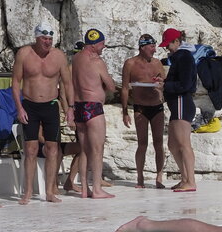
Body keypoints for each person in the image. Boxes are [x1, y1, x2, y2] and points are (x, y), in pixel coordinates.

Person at [12, 23, 74, 204]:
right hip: (30, 105)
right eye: (44, 39)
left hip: (51, 106)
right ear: (37, 38)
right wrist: (19, 108)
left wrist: (70, 108)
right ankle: (28, 192)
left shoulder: (59, 56)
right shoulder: (24, 54)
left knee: (52, 149)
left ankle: (49, 192)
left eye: (50, 39)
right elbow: (15, 82)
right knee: (30, 150)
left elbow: (68, 84)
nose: (47, 42)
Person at [70, 28, 115, 199]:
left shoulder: (76, 59)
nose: (103, 47)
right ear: (96, 44)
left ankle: (84, 190)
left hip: (80, 107)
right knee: (97, 150)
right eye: (102, 44)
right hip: (94, 107)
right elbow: (110, 86)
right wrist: (108, 80)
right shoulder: (97, 61)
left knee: (84, 149)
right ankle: (96, 189)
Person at [121, 34, 166, 189]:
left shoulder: (157, 63)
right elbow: (125, 88)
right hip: (140, 107)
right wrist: (125, 111)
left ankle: (159, 175)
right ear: (143, 47)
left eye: (155, 46)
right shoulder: (130, 63)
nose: (154, 50)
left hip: (157, 106)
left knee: (159, 143)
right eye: (152, 46)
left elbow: (164, 83)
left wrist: (160, 84)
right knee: (142, 143)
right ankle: (140, 176)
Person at [160, 28, 196, 192]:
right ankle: (184, 178)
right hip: (176, 104)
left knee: (183, 144)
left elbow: (186, 84)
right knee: (173, 144)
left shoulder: (184, 56)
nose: (167, 48)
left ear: (176, 41)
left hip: (182, 101)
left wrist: (166, 85)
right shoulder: (178, 58)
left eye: (169, 44)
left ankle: (191, 181)